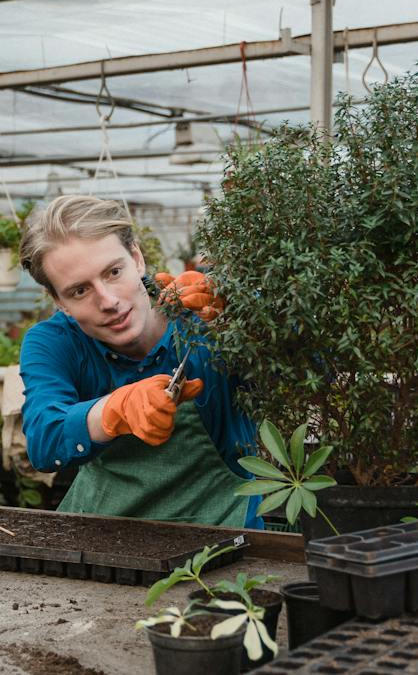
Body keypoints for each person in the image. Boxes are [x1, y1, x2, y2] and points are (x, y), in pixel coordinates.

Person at [16, 195, 255, 527]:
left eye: (114, 272)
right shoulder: (54, 342)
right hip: (106, 543)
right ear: (60, 302)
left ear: (137, 259)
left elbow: (317, 363)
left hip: (228, 532)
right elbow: (45, 441)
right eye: (79, 291)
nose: (109, 301)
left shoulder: (207, 315)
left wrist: (247, 310)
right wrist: (115, 410)